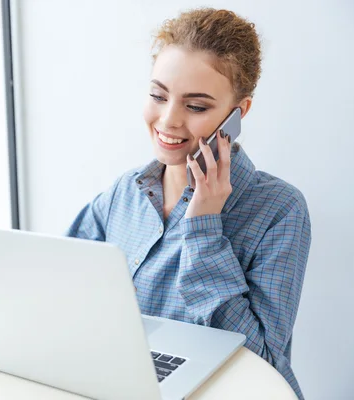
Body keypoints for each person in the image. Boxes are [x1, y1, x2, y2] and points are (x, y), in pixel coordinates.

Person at [65, 8, 311, 399]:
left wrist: (204, 228)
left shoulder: (279, 209)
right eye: (158, 95)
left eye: (196, 106)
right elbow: (62, 291)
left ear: (238, 113)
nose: (168, 120)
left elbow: (261, 364)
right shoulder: (124, 194)